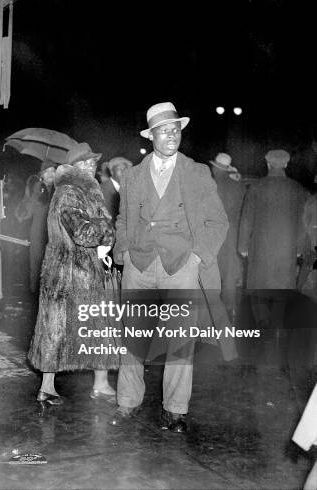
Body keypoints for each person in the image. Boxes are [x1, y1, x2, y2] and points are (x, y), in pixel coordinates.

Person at [112, 102, 229, 433]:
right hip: (140, 263)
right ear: (152, 136)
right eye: (164, 130)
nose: (171, 135)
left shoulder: (196, 173)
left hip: (181, 265)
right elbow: (122, 219)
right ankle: (126, 402)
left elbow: (217, 221)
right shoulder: (133, 175)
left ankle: (175, 410)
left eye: (175, 129)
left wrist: (197, 257)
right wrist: (125, 252)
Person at [27, 142, 118, 405]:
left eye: (93, 161)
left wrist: (104, 235)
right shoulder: (69, 191)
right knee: (59, 329)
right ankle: (48, 387)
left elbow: (101, 230)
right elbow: (82, 231)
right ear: (72, 167)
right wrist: (104, 227)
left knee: (89, 328)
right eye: (85, 162)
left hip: (82, 270)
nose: (91, 165)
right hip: (69, 273)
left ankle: (97, 384)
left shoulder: (88, 190)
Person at [238, 149, 308, 363]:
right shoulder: (297, 189)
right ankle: (277, 330)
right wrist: (298, 248)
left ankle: (262, 329)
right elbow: (302, 222)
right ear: (286, 165)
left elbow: (247, 219)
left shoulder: (256, 187)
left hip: (261, 249)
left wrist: (243, 246)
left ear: (268, 163)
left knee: (258, 290)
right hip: (285, 251)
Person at [209, 152, 246, 319]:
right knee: (230, 273)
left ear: (216, 168)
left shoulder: (210, 184)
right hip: (232, 234)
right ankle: (230, 310)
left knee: (211, 270)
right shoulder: (239, 185)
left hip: (212, 234)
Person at [16, 161, 57, 293]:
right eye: (47, 171)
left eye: (53, 170)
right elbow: (26, 213)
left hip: (55, 232)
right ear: (42, 174)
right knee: (37, 263)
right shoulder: (37, 188)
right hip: (39, 232)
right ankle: (35, 294)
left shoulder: (59, 189)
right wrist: (35, 193)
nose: (51, 174)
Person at [100, 157, 133, 222]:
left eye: (126, 169)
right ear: (112, 171)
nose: (124, 172)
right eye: (120, 169)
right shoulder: (101, 190)